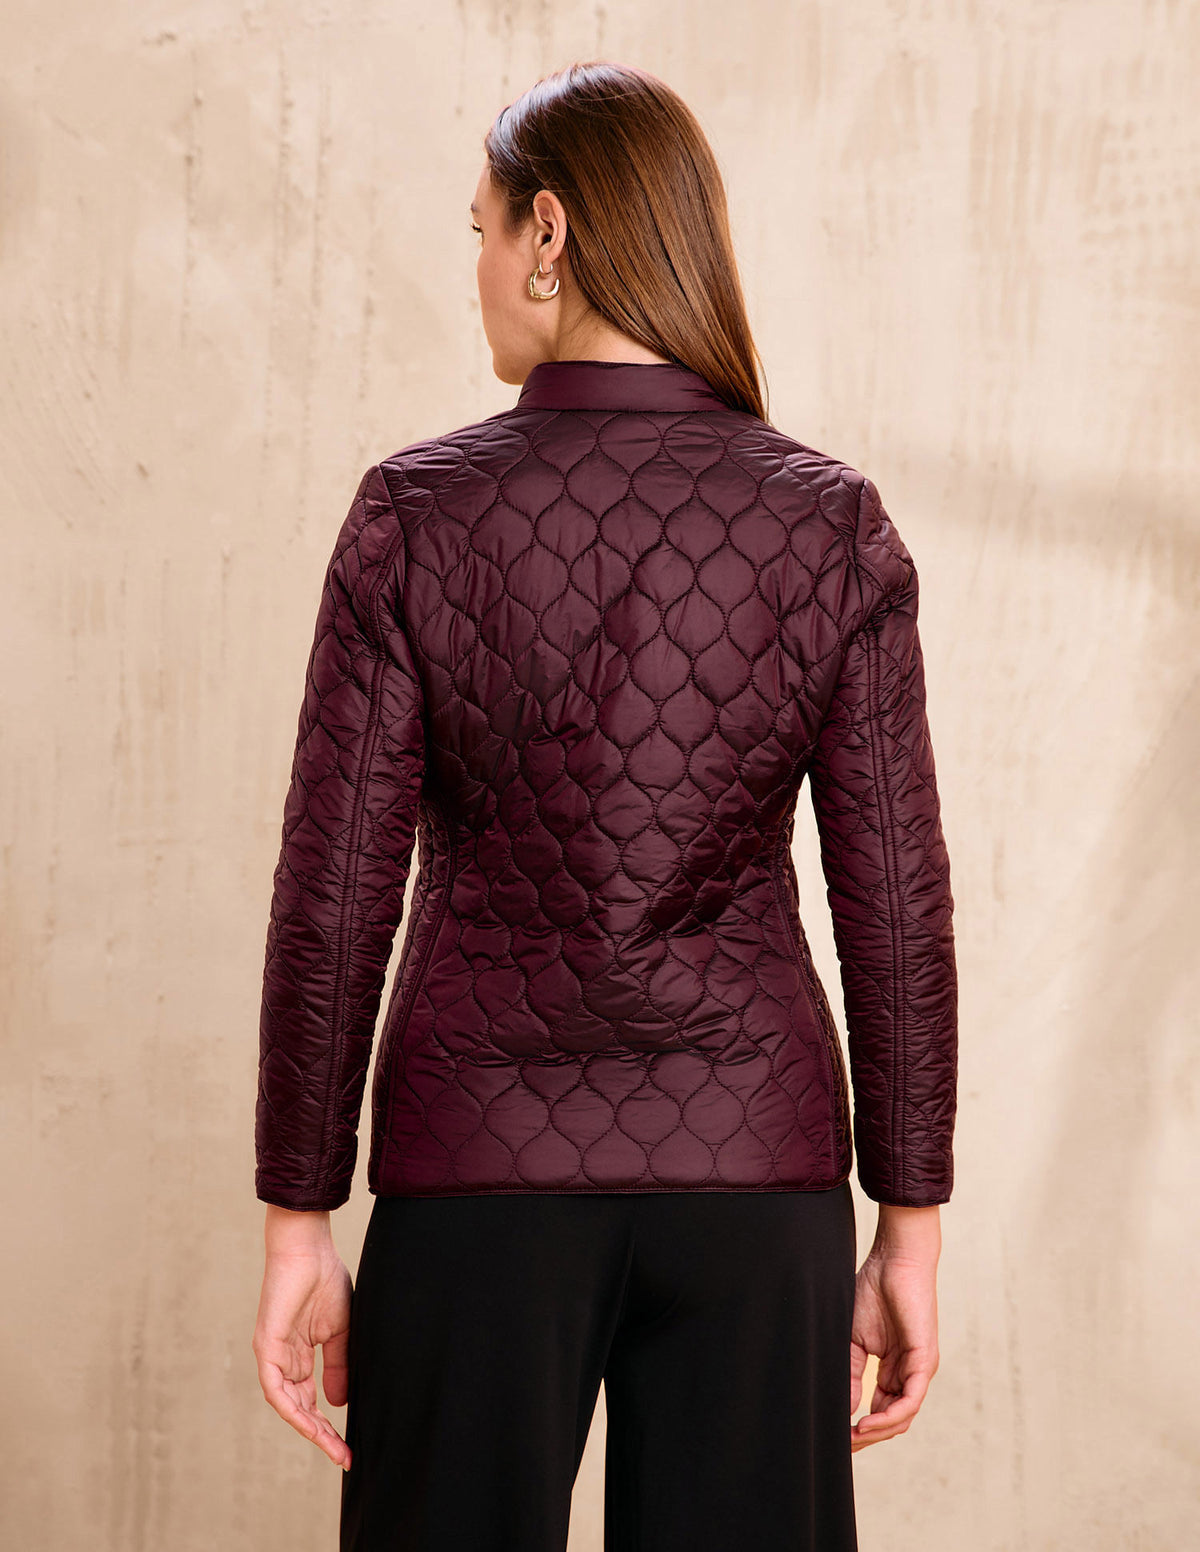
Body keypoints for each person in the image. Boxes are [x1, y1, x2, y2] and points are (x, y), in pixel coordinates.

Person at [250, 60, 958, 1552]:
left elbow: (334, 899)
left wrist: (298, 1216)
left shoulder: (418, 514)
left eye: (482, 229)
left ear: (551, 234)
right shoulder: (826, 521)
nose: (478, 270)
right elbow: (895, 903)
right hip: (753, 1173)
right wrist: (911, 1222)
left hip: (475, 1172)